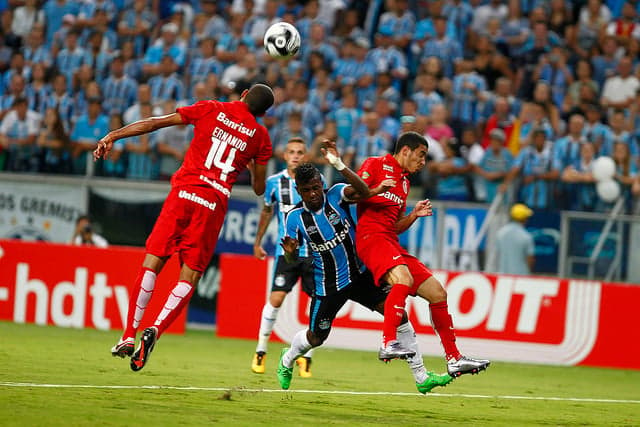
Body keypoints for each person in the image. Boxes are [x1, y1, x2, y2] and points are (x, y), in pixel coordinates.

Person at [94, 83, 275, 372]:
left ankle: (129, 334)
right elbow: (258, 188)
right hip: (212, 204)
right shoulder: (261, 136)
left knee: (152, 262)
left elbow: (155, 123)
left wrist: (113, 135)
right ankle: (156, 329)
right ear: (264, 113)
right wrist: (253, 162)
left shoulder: (211, 108)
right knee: (188, 277)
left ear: (242, 96)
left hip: (183, 193)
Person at [277, 141, 452, 394]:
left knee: (399, 315)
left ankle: (422, 376)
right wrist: (290, 253)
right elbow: (291, 260)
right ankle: (287, 359)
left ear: (322, 185)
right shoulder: (294, 218)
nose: (313, 194)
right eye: (307, 190)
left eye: (316, 187)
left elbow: (363, 190)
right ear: (299, 190)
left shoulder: (337, 194)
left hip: (361, 275)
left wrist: (339, 165)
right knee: (317, 337)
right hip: (329, 284)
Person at [355, 131, 490, 377]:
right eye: (421, 155)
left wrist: (413, 215)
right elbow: (356, 194)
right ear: (405, 150)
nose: (423, 162)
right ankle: (388, 342)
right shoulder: (374, 164)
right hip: (369, 238)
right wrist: (375, 188)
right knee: (403, 280)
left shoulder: (405, 183)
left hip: (390, 241)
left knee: (438, 293)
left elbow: (395, 225)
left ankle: (454, 358)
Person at [251, 137, 316, 377]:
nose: (296, 156)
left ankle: (307, 357)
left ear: (305, 156)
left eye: (300, 152)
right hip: (285, 253)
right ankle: (260, 350)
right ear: (285, 156)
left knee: (316, 303)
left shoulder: (315, 183)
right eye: (291, 152)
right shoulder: (274, 183)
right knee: (276, 299)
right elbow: (267, 211)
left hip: (313, 253)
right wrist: (258, 242)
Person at [495, 203, 535, 275]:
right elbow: (530, 259)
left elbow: (497, 254)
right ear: (524, 219)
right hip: (521, 276)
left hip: (503, 275)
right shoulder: (526, 236)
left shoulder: (501, 233)